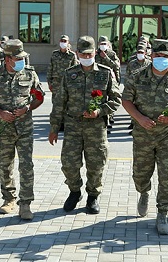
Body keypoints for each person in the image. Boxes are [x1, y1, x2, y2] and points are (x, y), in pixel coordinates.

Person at [122, 39, 168, 235]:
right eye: (157, 56)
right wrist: (140, 118)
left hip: (167, 134)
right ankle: (143, 192)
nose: (161, 59)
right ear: (152, 56)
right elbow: (126, 100)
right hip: (143, 132)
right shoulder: (137, 76)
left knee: (167, 175)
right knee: (140, 173)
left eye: (165, 57)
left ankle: (163, 213)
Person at [49, 36, 122, 214]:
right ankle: (74, 191)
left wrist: (100, 111)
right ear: (77, 53)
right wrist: (54, 128)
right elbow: (60, 102)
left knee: (96, 164)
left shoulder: (105, 73)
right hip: (73, 126)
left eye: (89, 53)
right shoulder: (69, 74)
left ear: (95, 53)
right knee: (69, 163)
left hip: (96, 128)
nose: (86, 56)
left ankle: (93, 195)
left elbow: (116, 99)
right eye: (83, 53)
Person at [0, 39, 45, 220]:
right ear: (7, 59)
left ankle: (25, 203)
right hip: (4, 128)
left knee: (26, 165)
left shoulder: (29, 74)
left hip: (25, 128)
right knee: (5, 165)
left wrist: (28, 108)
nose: (22, 61)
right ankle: (9, 199)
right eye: (18, 58)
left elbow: (39, 97)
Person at [46, 34, 78, 132]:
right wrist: (49, 82)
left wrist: (74, 83)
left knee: (67, 103)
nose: (63, 43)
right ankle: (57, 124)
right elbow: (50, 68)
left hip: (67, 83)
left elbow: (75, 70)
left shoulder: (72, 55)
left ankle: (65, 124)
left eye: (65, 41)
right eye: (61, 40)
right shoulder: (55, 54)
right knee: (56, 104)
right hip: (56, 83)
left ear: (68, 43)